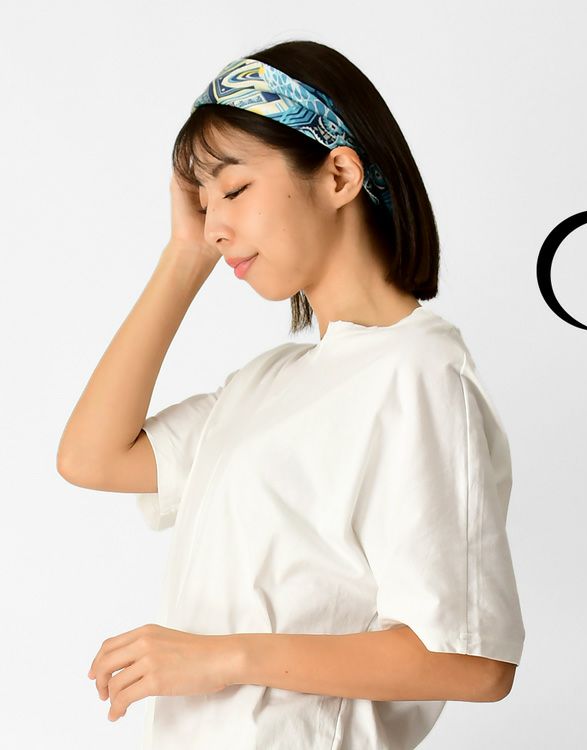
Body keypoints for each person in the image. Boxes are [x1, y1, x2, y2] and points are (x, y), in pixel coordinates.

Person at [58, 39, 525, 749]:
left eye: (233, 190)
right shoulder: (268, 381)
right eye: (202, 204)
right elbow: (91, 458)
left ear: (338, 174)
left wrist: (221, 657)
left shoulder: (421, 371)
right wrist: (184, 255)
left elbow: (473, 661)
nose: (214, 226)